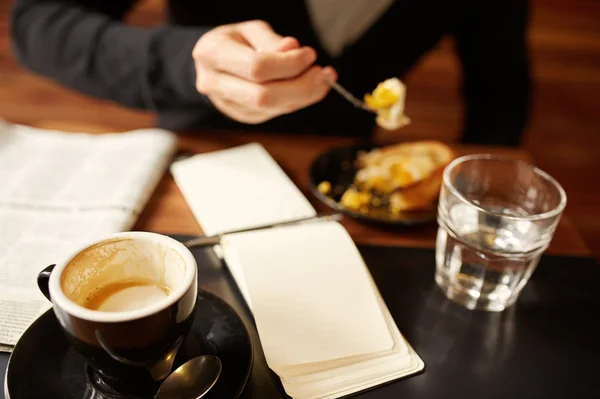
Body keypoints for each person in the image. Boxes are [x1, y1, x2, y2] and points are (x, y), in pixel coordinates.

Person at [10, 0, 531, 145]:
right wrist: (186, 61)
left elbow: (500, 90)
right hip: (196, 153)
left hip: (339, 169)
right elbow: (39, 23)